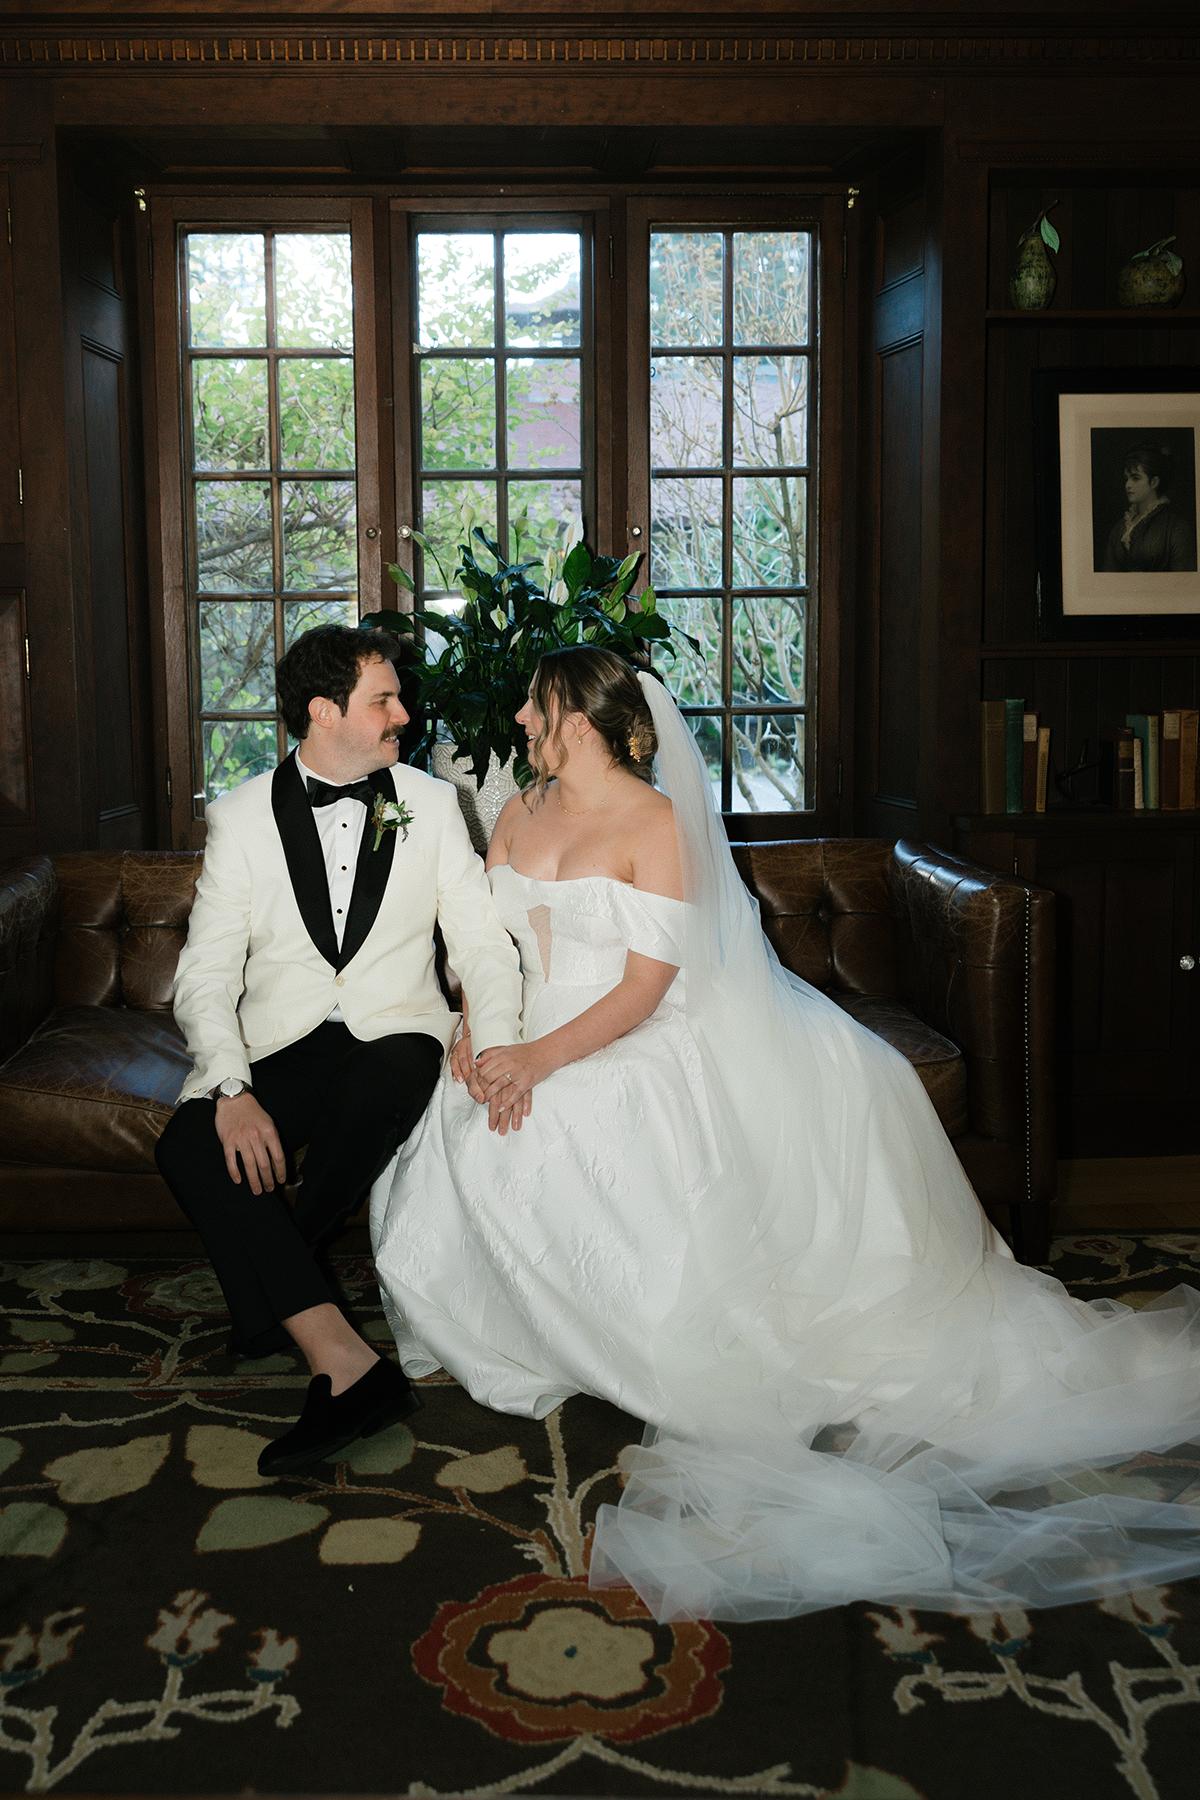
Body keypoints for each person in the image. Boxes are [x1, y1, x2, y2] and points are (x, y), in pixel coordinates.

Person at [371, 645, 1200, 1623]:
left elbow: (645, 987)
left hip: (624, 1031)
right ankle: (510, 1329)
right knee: (452, 1137)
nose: (518, 720)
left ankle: (617, 1336)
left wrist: (540, 1060)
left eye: (533, 706)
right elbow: (482, 946)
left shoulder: (657, 825)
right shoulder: (519, 809)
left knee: (566, 1131)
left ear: (580, 722)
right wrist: (480, 1031)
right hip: (519, 1026)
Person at [156, 623, 522, 1478]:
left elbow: (481, 942)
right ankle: (345, 1357)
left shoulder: (426, 802)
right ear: (324, 711)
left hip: (398, 1030)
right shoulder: (241, 816)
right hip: (286, 1037)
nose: (405, 714)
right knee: (188, 1143)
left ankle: (270, 1305)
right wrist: (231, 1089)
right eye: (384, 700)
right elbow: (204, 974)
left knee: (384, 1082)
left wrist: (498, 1043)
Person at [1101, 441, 1197, 572]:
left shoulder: (1176, 528)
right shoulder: (1119, 528)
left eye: (1135, 478)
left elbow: (1184, 579)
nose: (1127, 485)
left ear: (1154, 482)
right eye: (1126, 478)